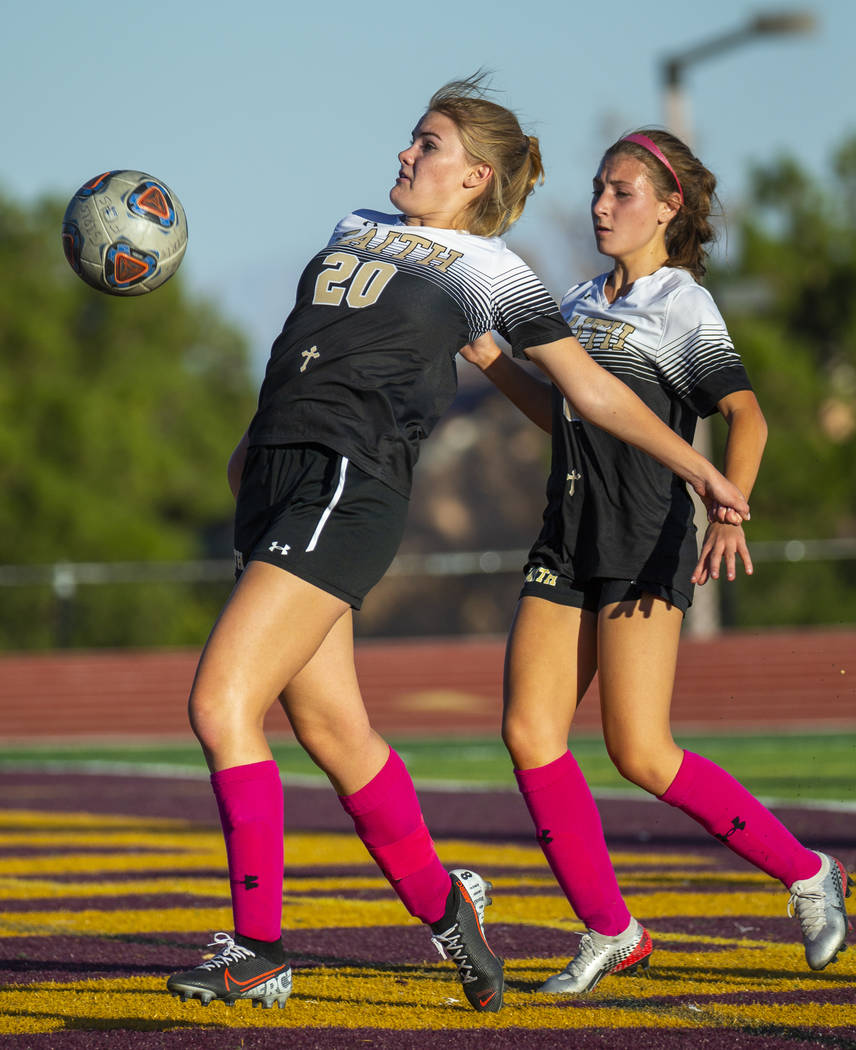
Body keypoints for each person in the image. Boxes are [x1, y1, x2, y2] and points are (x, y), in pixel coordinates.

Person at [165, 83, 750, 1015]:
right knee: (334, 732)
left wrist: (702, 471)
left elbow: (589, 394)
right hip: (278, 475)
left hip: (346, 483)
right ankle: (448, 910)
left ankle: (258, 948)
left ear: (475, 177)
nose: (405, 155)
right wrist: (252, 448)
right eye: (410, 139)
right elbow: (304, 347)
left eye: (427, 145)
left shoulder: (489, 267)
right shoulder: (354, 223)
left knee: (221, 701)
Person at [461, 128, 853, 996]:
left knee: (641, 752)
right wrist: (494, 363)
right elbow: (564, 414)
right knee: (529, 734)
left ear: (670, 207)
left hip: (645, 536)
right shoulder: (575, 297)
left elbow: (746, 417)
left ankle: (807, 873)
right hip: (565, 534)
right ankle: (610, 928)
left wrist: (728, 503)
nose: (602, 205)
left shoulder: (684, 306)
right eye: (599, 188)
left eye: (623, 191)